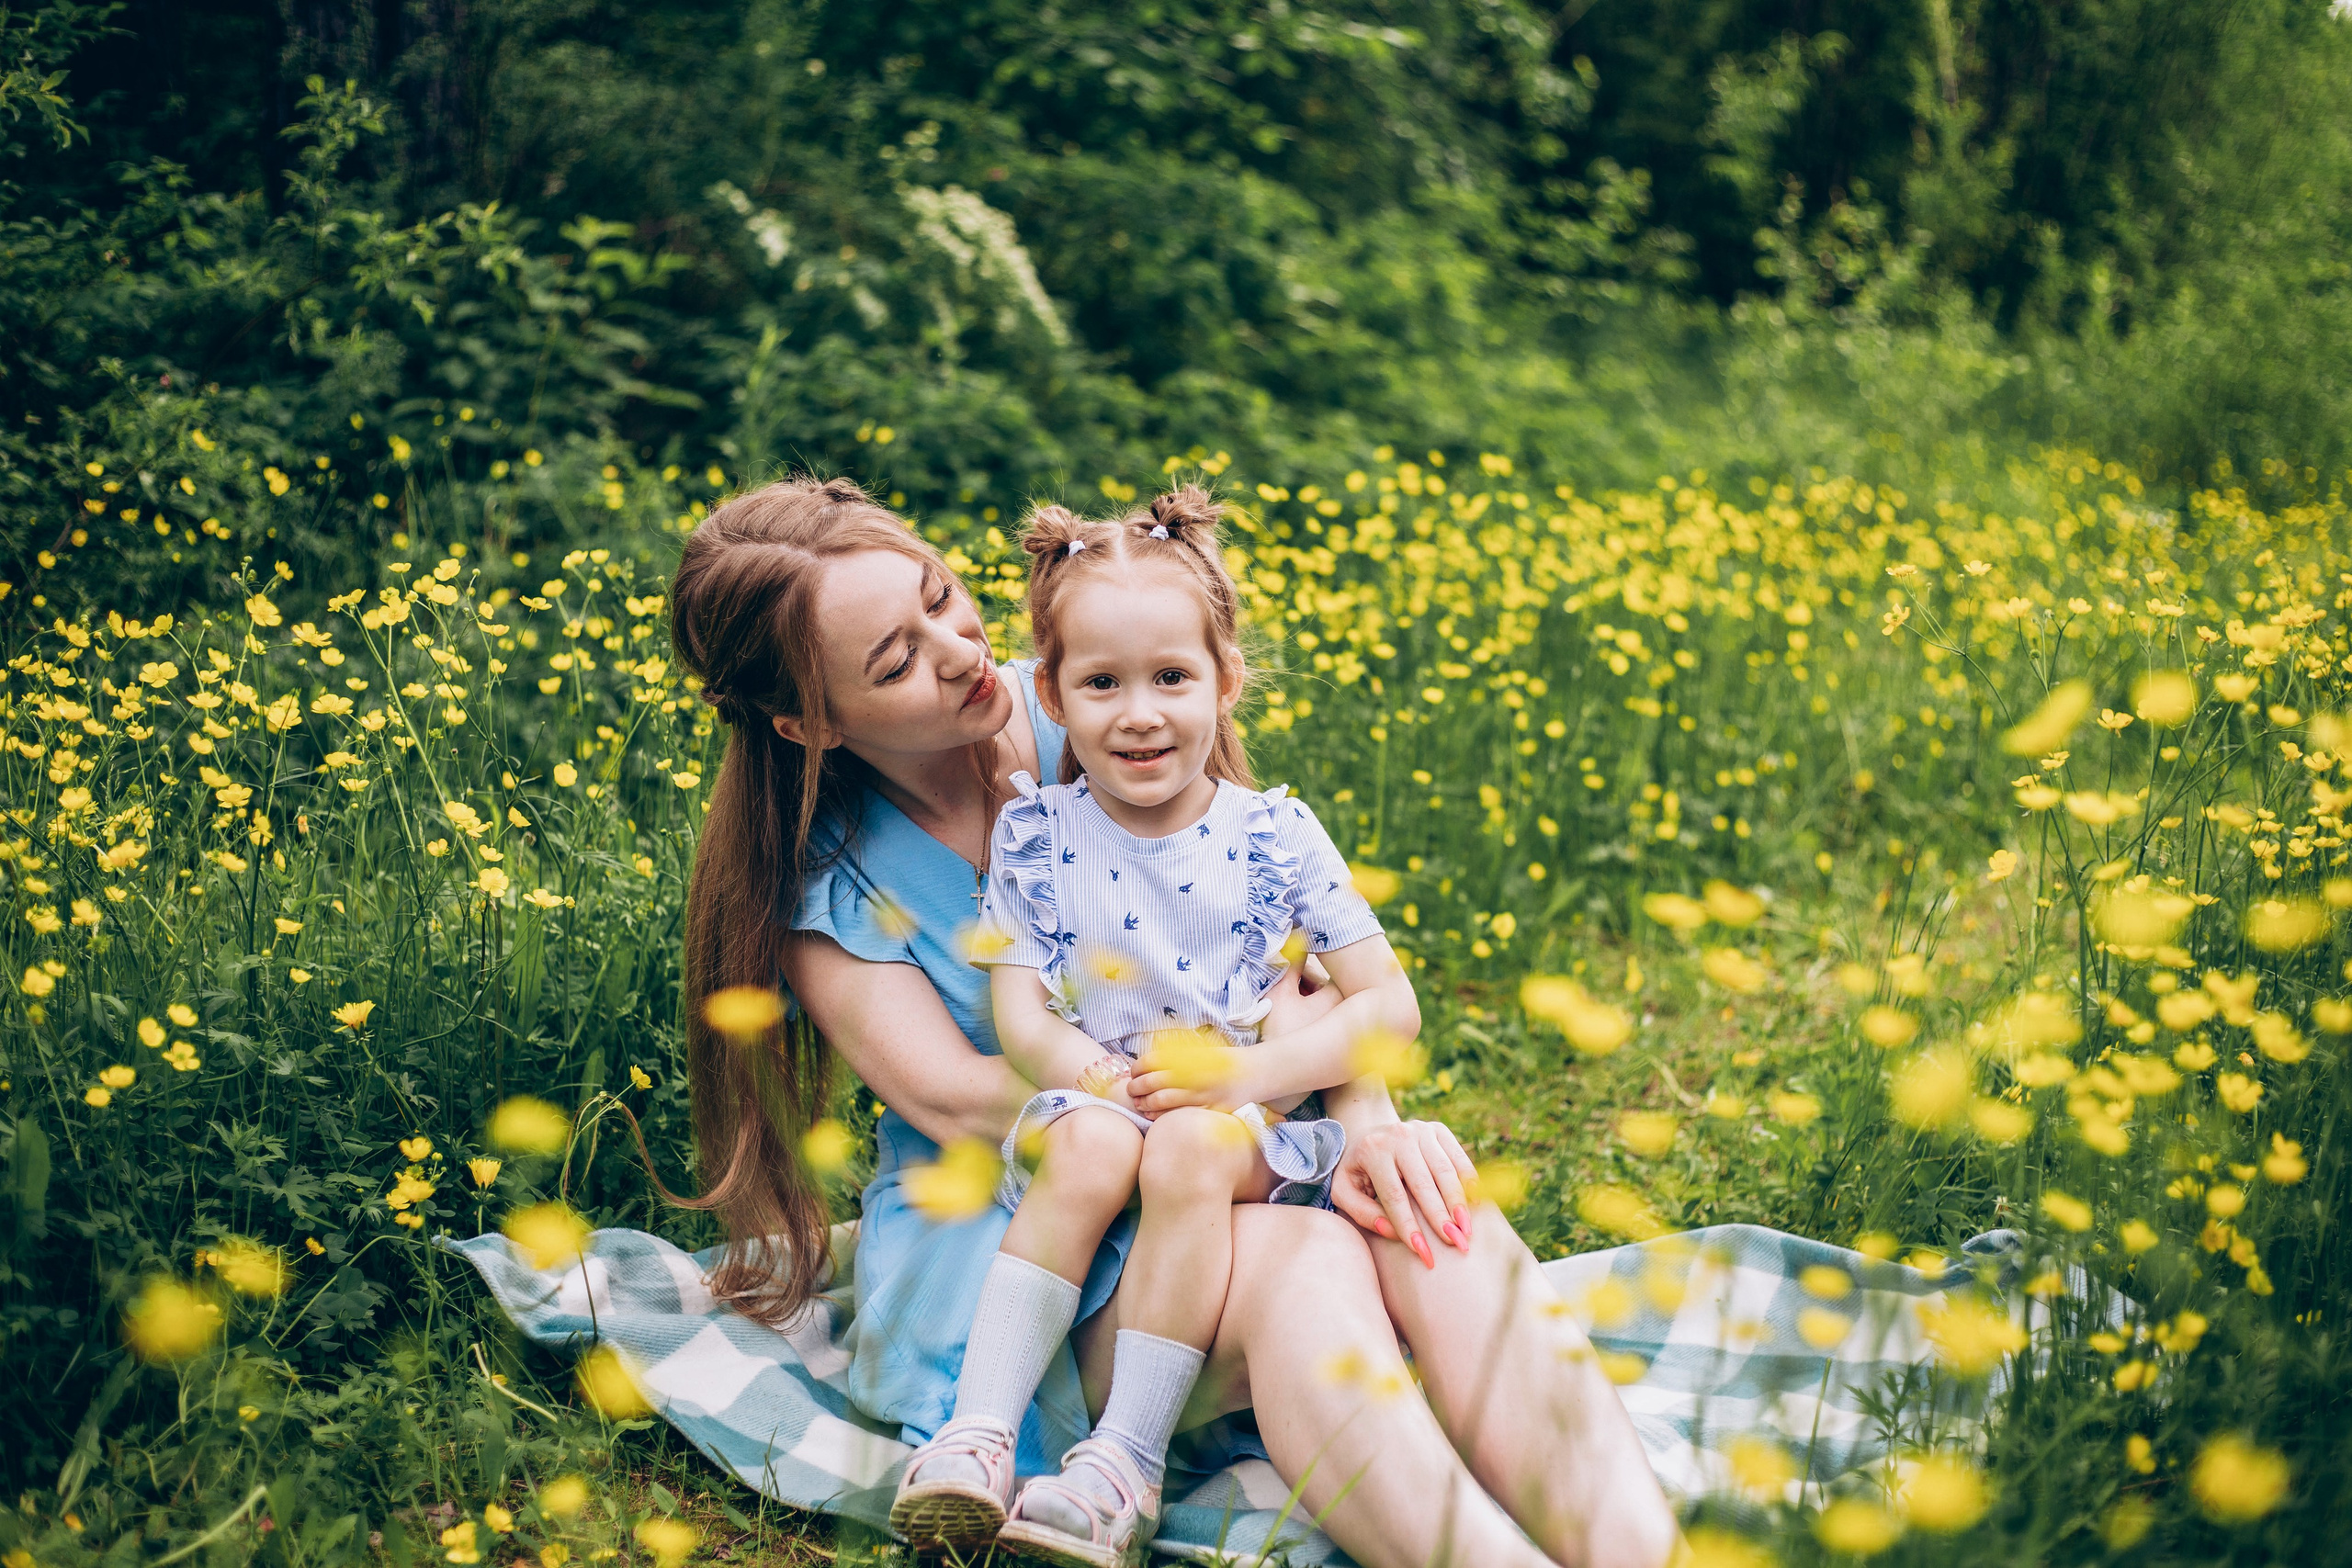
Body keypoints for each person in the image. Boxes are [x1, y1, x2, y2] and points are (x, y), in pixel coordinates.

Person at [666, 474, 1678, 1568]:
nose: (958, 651)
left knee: (1423, 1211)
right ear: (807, 721)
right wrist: (1254, 1119)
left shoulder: (1101, 698)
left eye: (943, 597)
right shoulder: (831, 877)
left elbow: (1286, 955)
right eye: (896, 661)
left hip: (1210, 1157)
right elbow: (953, 1097)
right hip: (1017, 1240)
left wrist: (1363, 1123)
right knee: (1303, 1264)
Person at [887, 491, 1425, 1566]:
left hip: (1233, 1117)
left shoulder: (1272, 834)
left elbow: (1387, 1007)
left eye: (1172, 678)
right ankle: (974, 1437)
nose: (1140, 714)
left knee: (1182, 1144)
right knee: (1088, 1143)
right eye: (1102, 684)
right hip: (1102, 1097)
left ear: (1225, 682)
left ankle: (1122, 1467)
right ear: (1055, 696)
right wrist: (1078, 1069)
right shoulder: (1037, 835)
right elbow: (1019, 1005)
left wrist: (1249, 1077)